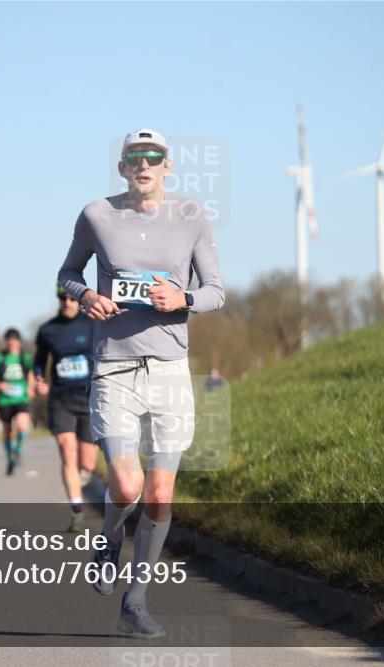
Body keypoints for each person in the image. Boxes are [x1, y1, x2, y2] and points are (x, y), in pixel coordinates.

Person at [57, 128, 224, 638]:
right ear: (123, 166)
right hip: (115, 366)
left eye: (154, 157)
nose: (144, 164)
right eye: (134, 157)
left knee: (157, 495)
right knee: (126, 485)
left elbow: (217, 290)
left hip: (170, 370)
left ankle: (136, 600)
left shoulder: (192, 215)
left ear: (168, 166)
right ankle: (108, 539)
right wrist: (86, 297)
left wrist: (184, 301)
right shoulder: (96, 215)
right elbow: (67, 273)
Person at [34, 285, 100, 532]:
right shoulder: (47, 330)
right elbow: (40, 360)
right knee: (66, 450)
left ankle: (84, 476)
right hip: (61, 399)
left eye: (72, 298)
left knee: (88, 462)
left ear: (79, 301)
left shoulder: (92, 323)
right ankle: (77, 509)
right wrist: (39, 378)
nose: (68, 301)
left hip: (89, 397)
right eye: (63, 298)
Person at [0, 328, 34, 475]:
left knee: (22, 424)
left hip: (21, 397)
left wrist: (30, 388)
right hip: (4, 400)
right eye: (9, 340)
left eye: (15, 340)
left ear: (19, 342)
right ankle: (10, 459)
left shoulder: (25, 358)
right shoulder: (0, 357)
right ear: (6, 342)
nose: (12, 343)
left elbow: (31, 373)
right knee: (7, 431)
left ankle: (18, 450)